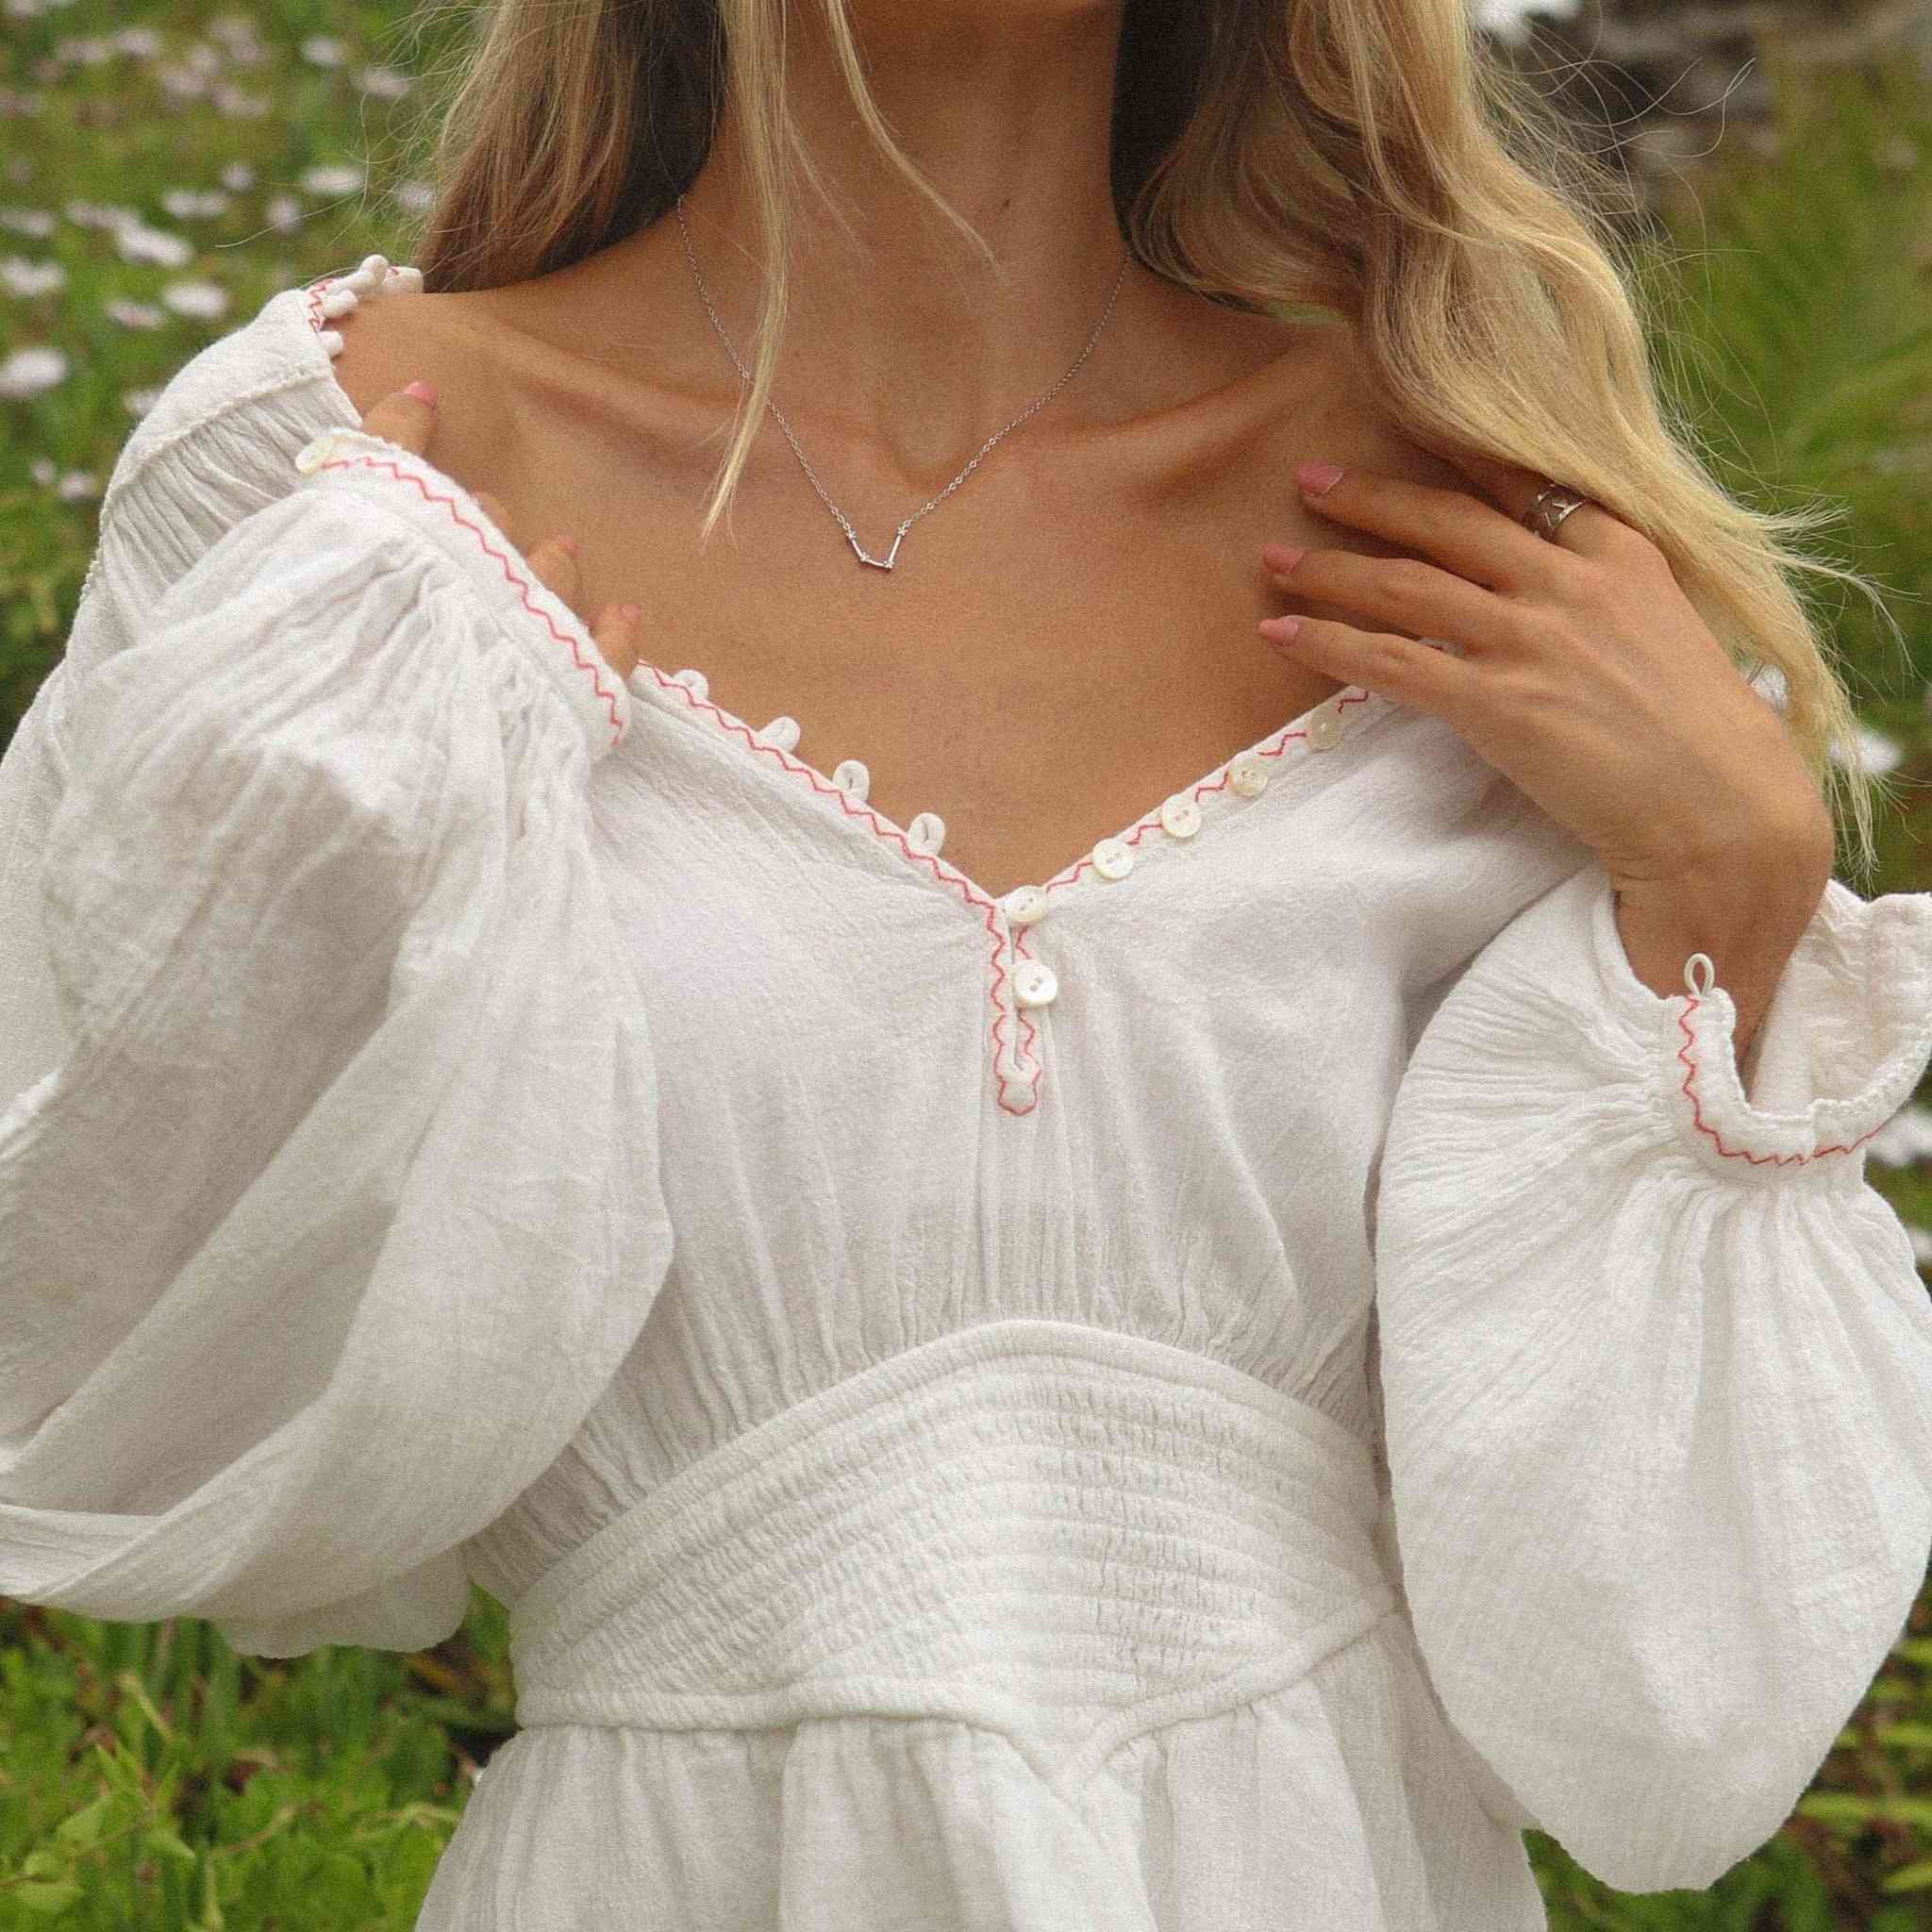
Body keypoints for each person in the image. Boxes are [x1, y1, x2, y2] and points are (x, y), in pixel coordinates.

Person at [5, 1, 1932, 1925]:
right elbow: (93, 1357)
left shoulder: (1473, 520)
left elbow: (1660, 1692)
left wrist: (1730, 885)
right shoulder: (349, 478)